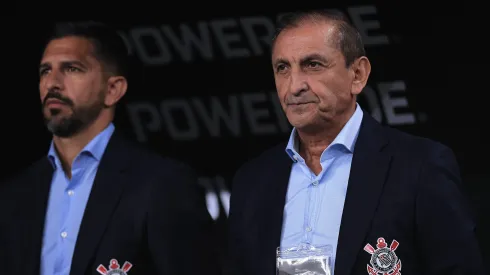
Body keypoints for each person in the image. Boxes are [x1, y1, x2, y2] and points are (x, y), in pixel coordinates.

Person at [227, 9, 485, 275]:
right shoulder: (252, 181)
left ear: (358, 74)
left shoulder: (421, 166)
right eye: (282, 68)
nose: (294, 86)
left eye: (312, 65)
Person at [0, 21, 219, 275]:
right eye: (45, 71)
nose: (52, 83)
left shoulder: (162, 184)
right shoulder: (13, 196)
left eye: (72, 68)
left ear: (113, 90)